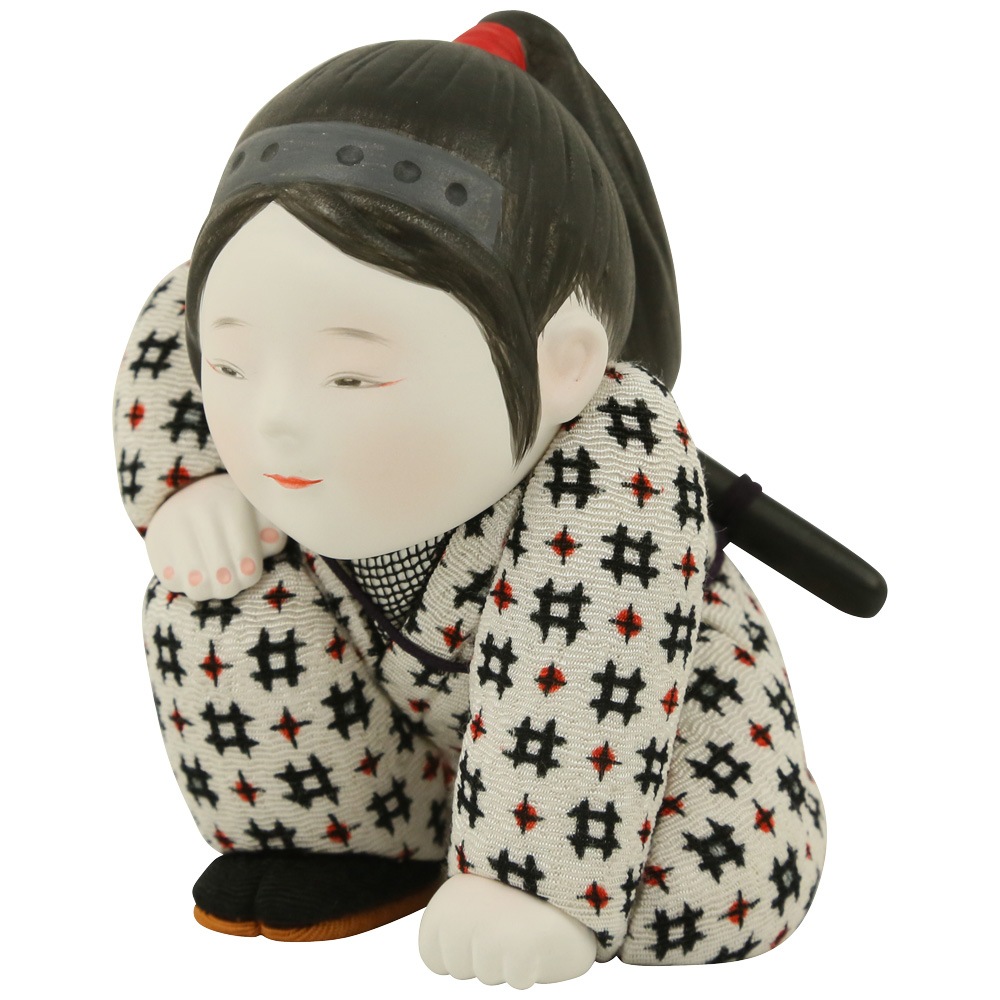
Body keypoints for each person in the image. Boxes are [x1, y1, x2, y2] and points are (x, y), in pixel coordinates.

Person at [114, 11, 824, 986]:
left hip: (648, 743)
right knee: (213, 579)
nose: (273, 417)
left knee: (690, 898)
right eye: (233, 364)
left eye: (352, 377)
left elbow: (582, 664)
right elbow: (178, 314)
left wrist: (530, 883)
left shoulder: (613, 457)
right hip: (406, 719)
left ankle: (547, 875)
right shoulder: (216, 363)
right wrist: (182, 484)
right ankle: (341, 837)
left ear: (564, 362)